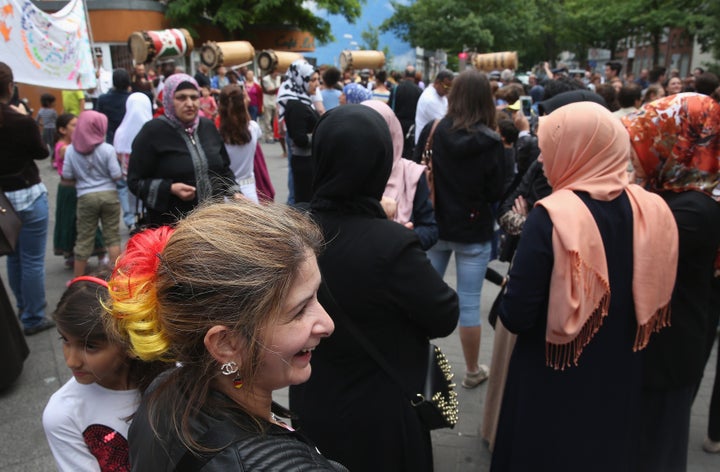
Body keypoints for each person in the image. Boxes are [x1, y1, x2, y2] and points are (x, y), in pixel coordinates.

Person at [491, 101, 679, 471]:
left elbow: (516, 315)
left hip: (551, 375)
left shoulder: (551, 216)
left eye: (549, 150)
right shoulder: (652, 208)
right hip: (621, 369)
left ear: (576, 150)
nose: (543, 161)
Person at [105, 202, 346, 470]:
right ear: (226, 344)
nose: (327, 324)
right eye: (300, 310)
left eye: (316, 295)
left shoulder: (163, 391)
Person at [288, 104, 458, 471]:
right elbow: (444, 314)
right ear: (380, 162)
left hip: (313, 393)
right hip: (383, 406)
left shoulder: (293, 231)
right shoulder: (391, 243)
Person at [622, 93, 720, 471]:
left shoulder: (695, 207)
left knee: (655, 450)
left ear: (679, 141)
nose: (636, 151)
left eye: (649, 139)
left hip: (669, 351)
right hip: (664, 343)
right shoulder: (676, 192)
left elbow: (628, 251)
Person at [414, 70, 506, 388]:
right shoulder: (492, 141)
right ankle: (471, 370)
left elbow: (416, 168)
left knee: (424, 295)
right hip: (474, 227)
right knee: (469, 302)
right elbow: (498, 191)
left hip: (436, 224)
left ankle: (414, 360)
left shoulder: (434, 129)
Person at [42, 274, 166, 471]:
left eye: (90, 346)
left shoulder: (172, 381)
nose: (71, 361)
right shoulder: (63, 414)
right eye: (64, 340)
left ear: (130, 343)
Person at [127, 73, 241, 227]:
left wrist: (235, 192)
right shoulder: (152, 132)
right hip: (173, 228)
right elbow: (135, 182)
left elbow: (224, 168)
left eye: (194, 97)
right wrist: (169, 188)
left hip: (214, 224)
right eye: (181, 98)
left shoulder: (207, 127)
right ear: (168, 99)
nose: (190, 103)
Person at [0, 61, 54, 335]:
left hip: (3, 200)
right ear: (10, 88)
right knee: (32, 259)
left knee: (13, 256)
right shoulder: (20, 121)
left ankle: (23, 306)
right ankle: (33, 317)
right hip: (28, 194)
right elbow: (42, 153)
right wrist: (25, 117)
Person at [361, 99, 438, 250]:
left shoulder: (411, 174)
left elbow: (430, 229)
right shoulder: (345, 172)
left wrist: (406, 238)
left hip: (399, 264)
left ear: (391, 135)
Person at [62, 111, 122, 277]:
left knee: (84, 239)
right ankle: (116, 280)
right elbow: (116, 174)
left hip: (85, 197)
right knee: (112, 237)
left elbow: (67, 175)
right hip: (109, 195)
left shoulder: (71, 150)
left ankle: (78, 280)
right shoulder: (107, 149)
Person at [277, 60, 320, 204]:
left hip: (308, 163)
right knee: (304, 204)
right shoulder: (297, 105)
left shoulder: (303, 101)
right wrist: (322, 135)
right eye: (313, 80)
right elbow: (299, 138)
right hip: (305, 165)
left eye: (317, 80)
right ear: (300, 80)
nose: (317, 84)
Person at [113, 92, 153, 229]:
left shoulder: (121, 130)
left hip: (128, 176)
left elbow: (117, 152)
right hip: (150, 180)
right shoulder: (153, 128)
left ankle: (131, 220)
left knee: (128, 195)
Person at [218, 84, 262, 203]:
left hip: (227, 192)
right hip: (249, 191)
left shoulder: (217, 135)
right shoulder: (254, 128)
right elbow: (247, 123)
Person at [389, 66, 423, 158]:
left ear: (404, 75)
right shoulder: (419, 91)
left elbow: (390, 107)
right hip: (412, 127)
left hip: (397, 124)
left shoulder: (396, 89)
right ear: (414, 76)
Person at [414, 70, 454, 146]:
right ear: (437, 83)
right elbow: (444, 124)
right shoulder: (431, 99)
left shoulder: (440, 95)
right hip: (425, 145)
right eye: (446, 87)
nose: (448, 91)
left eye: (450, 88)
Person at [96, 69, 131, 144]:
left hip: (112, 136)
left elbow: (99, 119)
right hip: (130, 136)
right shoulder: (132, 99)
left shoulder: (103, 99)